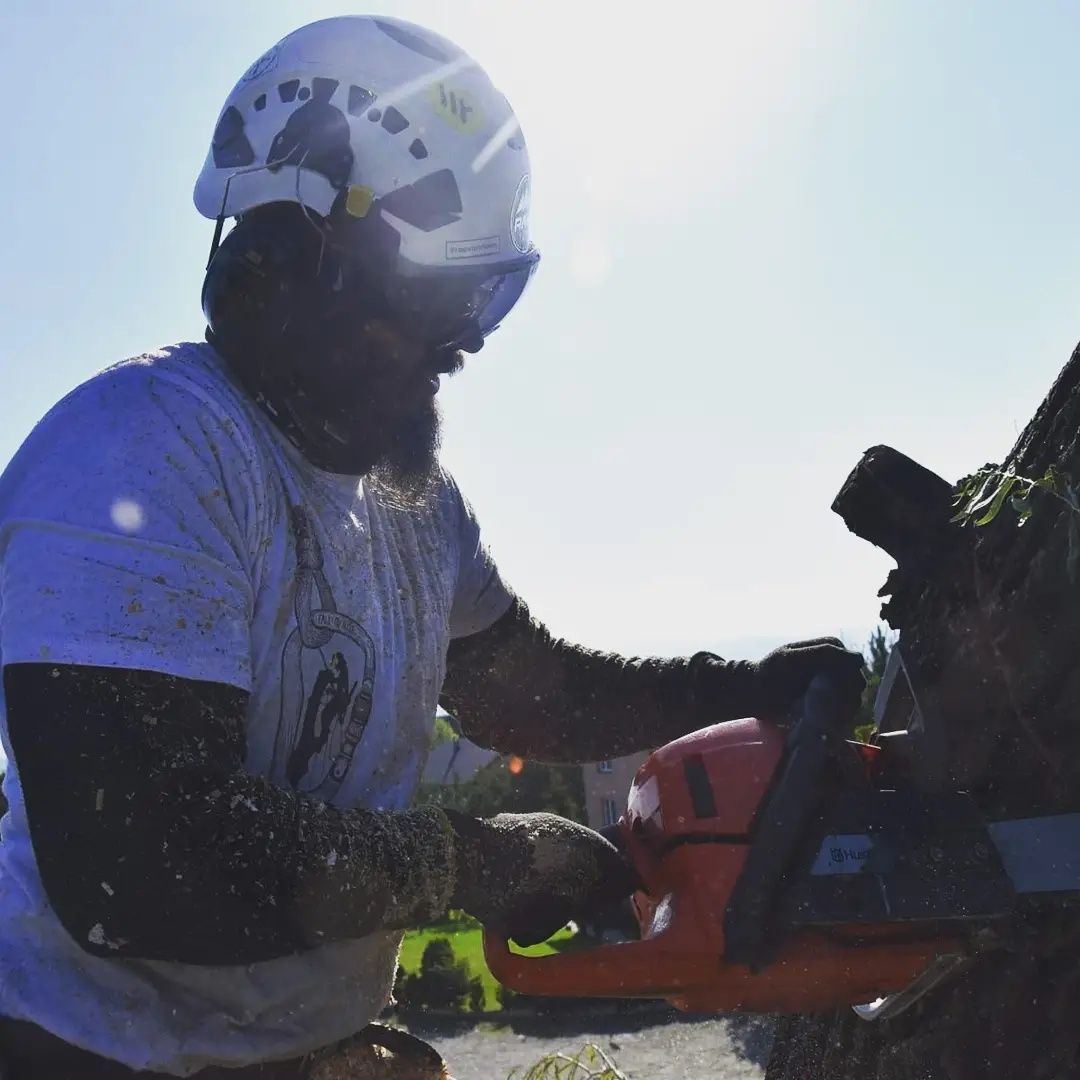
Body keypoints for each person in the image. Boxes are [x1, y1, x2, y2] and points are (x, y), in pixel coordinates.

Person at [0, 15, 865, 1079]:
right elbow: (137, 867)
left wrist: (743, 688)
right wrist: (474, 865)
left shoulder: (415, 506)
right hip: (81, 1049)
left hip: (294, 1052)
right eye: (441, 295)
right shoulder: (140, 451)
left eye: (486, 296)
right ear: (289, 255)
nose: (467, 339)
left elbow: (526, 693)